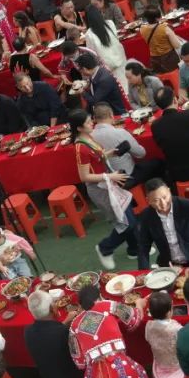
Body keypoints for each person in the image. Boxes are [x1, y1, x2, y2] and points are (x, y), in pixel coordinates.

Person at [71, 109, 141, 269]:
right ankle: (105, 248)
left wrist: (113, 153)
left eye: (91, 120)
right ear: (79, 128)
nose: (92, 123)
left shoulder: (88, 137)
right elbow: (84, 176)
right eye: (88, 122)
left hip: (108, 182)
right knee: (126, 222)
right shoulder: (81, 148)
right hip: (100, 188)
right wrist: (110, 176)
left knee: (127, 215)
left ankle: (134, 249)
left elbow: (98, 156)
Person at [144, 291, 187, 378]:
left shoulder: (148, 326)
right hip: (178, 366)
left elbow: (148, 338)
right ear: (169, 312)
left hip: (160, 364)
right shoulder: (176, 329)